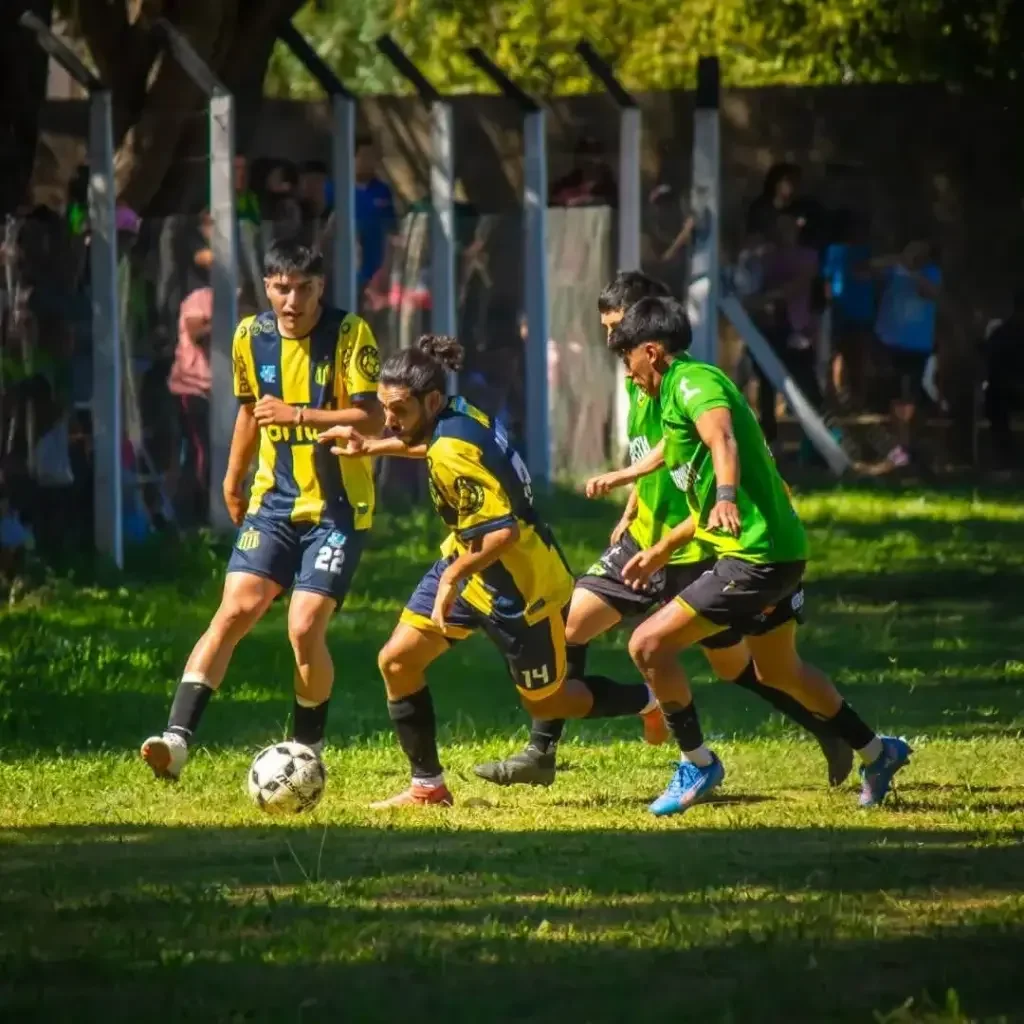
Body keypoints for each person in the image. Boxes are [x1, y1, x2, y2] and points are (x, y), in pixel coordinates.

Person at [475, 271, 854, 790]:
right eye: (608, 331)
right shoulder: (640, 382)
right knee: (570, 627)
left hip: (692, 545)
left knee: (736, 667)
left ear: (647, 335)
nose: (612, 343)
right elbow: (657, 458)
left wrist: (697, 517)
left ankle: (824, 729)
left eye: (618, 331)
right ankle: (542, 753)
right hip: (643, 540)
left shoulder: (688, 383)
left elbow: (708, 454)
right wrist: (631, 504)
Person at [598, 296, 912, 816]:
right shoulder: (665, 402)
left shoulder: (694, 384)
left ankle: (698, 763)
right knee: (778, 670)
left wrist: (724, 494)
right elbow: (692, 480)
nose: (627, 371)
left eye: (627, 358)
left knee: (648, 645)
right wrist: (660, 548)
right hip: (777, 552)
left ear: (651, 351)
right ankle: (877, 753)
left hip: (757, 557)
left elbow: (722, 438)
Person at [320, 336, 661, 809]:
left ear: (431, 400)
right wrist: (373, 445)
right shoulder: (457, 414)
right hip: (472, 568)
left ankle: (647, 700)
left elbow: (502, 533)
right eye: (383, 408)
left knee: (550, 701)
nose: (390, 419)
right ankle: (428, 787)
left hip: (523, 591)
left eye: (398, 410)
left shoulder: (451, 447)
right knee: (397, 661)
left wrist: (451, 577)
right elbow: (434, 448)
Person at [140, 240, 383, 779]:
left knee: (303, 626)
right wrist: (232, 477)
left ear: (320, 287)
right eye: (281, 287)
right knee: (234, 611)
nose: (291, 299)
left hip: (338, 507)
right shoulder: (250, 335)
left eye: (303, 288)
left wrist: (299, 414)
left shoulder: (350, 334)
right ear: (268, 287)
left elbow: (372, 419)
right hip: (273, 501)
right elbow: (251, 410)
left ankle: (305, 751)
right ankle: (175, 740)